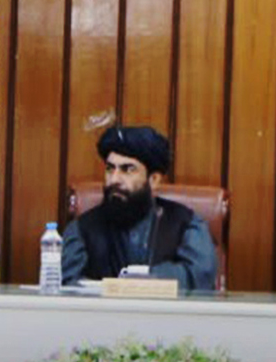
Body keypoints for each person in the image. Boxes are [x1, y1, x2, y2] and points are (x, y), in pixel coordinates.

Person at [59, 125, 218, 292]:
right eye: (110, 169)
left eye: (128, 170)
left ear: (154, 180)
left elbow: (200, 278)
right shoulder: (82, 230)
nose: (114, 180)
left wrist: (141, 280)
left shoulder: (186, 224)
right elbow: (68, 287)